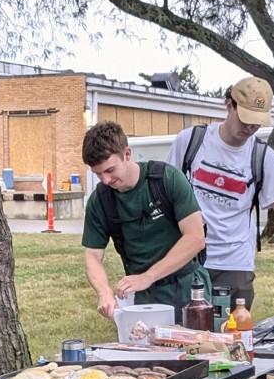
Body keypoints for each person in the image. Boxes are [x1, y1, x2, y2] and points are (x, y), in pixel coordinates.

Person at [166, 76, 274, 311]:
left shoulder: (263, 158)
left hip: (235, 264)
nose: (250, 128)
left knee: (232, 338)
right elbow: (165, 196)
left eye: (257, 122)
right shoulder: (190, 141)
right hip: (188, 259)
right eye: (246, 119)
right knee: (188, 336)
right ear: (229, 105)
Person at [80, 121, 209, 320]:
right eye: (98, 174)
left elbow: (195, 238)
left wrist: (148, 276)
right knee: (145, 348)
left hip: (187, 288)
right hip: (143, 296)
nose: (105, 180)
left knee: (194, 348)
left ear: (127, 154)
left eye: (110, 170)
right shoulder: (100, 200)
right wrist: (104, 292)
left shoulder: (167, 179)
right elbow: (92, 256)